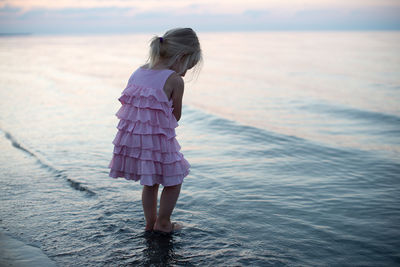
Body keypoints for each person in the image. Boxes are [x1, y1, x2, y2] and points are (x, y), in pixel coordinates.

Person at [108, 28, 202, 233]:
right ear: (182, 57)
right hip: (159, 139)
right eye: (187, 67)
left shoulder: (138, 71)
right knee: (174, 180)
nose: (185, 73)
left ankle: (150, 223)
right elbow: (175, 115)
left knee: (150, 182)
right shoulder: (174, 80)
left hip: (134, 139)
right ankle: (164, 223)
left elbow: (131, 107)